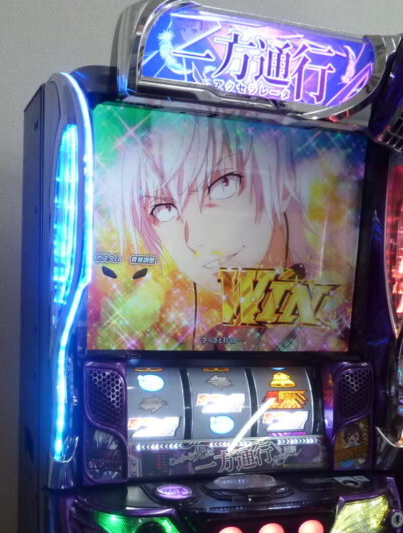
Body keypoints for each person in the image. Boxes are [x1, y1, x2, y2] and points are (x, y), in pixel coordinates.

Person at [90, 103, 363, 351]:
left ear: (281, 184)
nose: (195, 238)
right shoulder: (181, 325)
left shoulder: (340, 305)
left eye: (223, 185)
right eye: (164, 209)